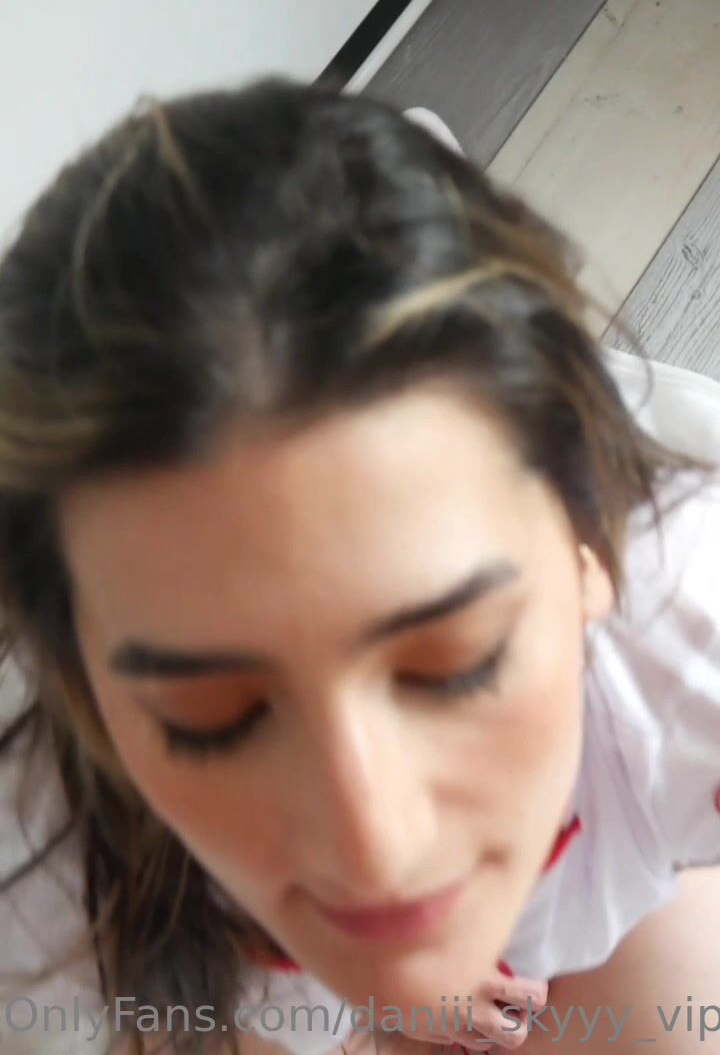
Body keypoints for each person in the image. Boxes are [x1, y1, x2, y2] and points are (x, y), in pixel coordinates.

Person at [0, 79, 719, 1055]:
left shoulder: (687, 626)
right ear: (82, 686)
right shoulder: (44, 891)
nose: (378, 848)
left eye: (456, 662)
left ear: (593, 545)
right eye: (214, 714)